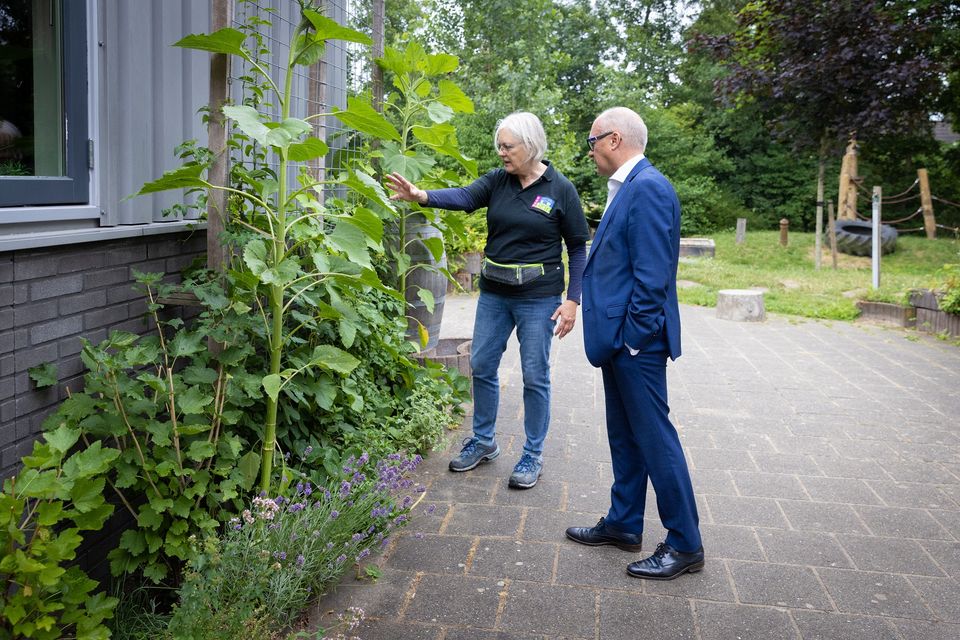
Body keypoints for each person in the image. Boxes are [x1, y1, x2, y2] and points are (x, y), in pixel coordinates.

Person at [386, 111, 589, 490]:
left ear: (530, 146)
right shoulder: (498, 181)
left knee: (535, 375)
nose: (501, 153)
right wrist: (422, 196)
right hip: (495, 293)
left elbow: (578, 247)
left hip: (538, 298)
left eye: (507, 146)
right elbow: (464, 197)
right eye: (499, 145)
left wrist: (573, 300)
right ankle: (483, 442)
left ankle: (532, 454)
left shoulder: (560, 189)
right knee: (481, 365)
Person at [565, 107, 704, 580]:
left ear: (614, 139)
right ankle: (624, 523)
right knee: (625, 437)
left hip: (635, 345)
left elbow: (652, 277)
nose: (589, 150)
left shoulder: (647, 188)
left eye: (592, 141)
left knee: (655, 440)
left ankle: (685, 544)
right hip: (621, 341)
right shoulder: (630, 187)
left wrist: (632, 341)